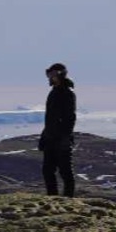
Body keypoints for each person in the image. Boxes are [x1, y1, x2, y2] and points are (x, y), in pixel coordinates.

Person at [39, 62, 77, 197]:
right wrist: (44, 136)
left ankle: (68, 199)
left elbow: (70, 117)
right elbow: (50, 118)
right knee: (47, 170)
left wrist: (65, 137)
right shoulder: (53, 92)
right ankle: (53, 198)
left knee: (65, 171)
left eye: (53, 74)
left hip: (61, 139)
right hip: (50, 137)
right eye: (49, 74)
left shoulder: (67, 93)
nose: (50, 77)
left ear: (61, 75)